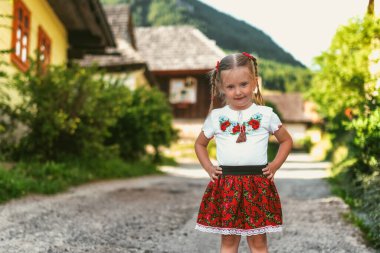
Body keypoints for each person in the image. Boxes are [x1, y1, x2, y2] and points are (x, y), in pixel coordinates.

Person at [194, 52, 293, 253]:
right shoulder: (217, 117)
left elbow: (286, 140)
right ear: (221, 87)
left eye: (243, 84)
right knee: (229, 242)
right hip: (227, 184)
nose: (238, 92)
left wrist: (274, 165)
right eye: (230, 87)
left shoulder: (266, 114)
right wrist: (209, 167)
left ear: (255, 82)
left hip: (257, 184)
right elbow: (200, 144)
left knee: (258, 243)